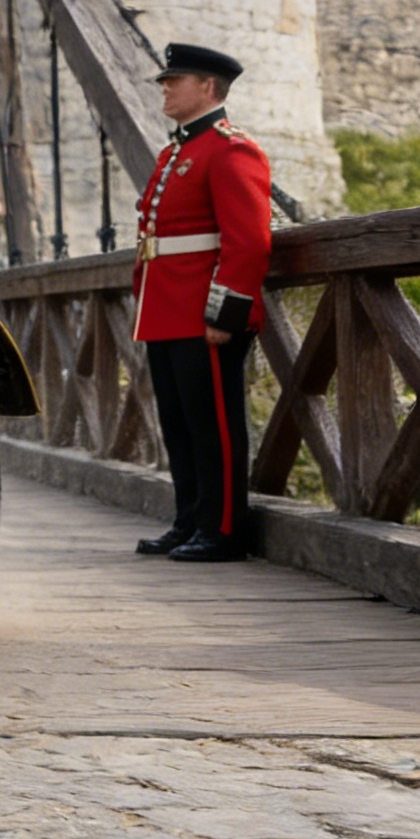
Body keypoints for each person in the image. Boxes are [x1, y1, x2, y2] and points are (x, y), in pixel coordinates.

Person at [131, 43, 273, 564]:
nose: (165, 88)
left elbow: (249, 241)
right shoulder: (175, 153)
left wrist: (225, 313)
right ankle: (189, 520)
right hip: (165, 309)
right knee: (180, 424)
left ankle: (223, 529)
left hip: (202, 313)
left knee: (213, 425)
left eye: (176, 80)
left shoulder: (232, 149)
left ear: (208, 88)